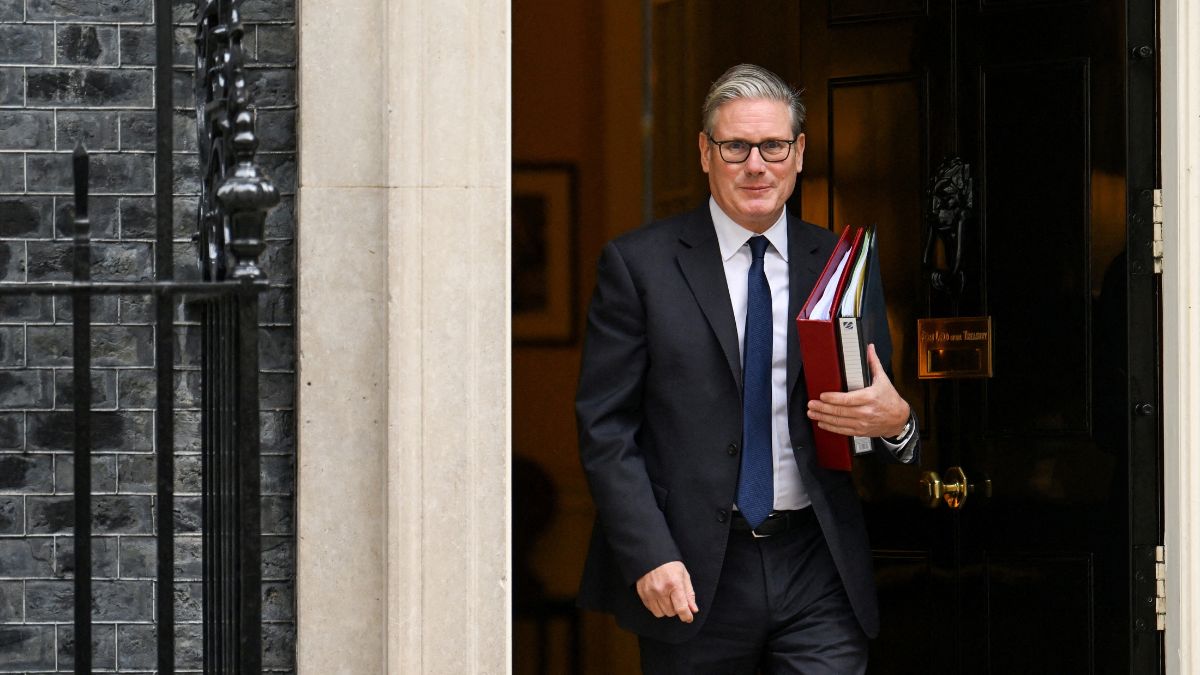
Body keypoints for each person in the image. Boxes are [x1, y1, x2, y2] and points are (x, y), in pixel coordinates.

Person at [574, 63, 920, 674]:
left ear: (799, 153)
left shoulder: (843, 264)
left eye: (773, 146)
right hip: (692, 570)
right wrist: (648, 554)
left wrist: (897, 424)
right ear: (705, 153)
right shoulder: (639, 266)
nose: (755, 165)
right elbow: (606, 428)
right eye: (735, 146)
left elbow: (870, 418)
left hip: (818, 562)